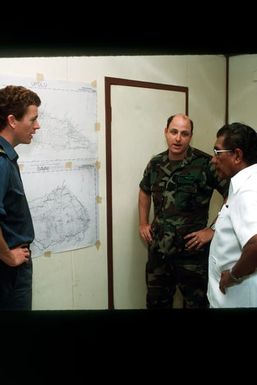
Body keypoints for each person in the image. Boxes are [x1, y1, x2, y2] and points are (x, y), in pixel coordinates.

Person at [138, 113, 229, 309]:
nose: (178, 138)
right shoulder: (156, 163)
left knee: (195, 306)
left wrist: (213, 230)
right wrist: (143, 222)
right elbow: (144, 190)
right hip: (158, 251)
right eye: (174, 132)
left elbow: (231, 194)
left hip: (191, 254)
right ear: (166, 132)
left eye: (184, 134)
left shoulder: (206, 164)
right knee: (156, 304)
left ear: (191, 136)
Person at [0, 85, 41, 310]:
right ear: (12, 120)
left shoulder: (6, 156)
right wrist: (8, 256)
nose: (37, 126)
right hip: (9, 271)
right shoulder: (1, 162)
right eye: (32, 119)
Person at [208, 122, 257, 308]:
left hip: (238, 296)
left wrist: (233, 276)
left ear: (237, 155)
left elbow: (256, 243)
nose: (213, 159)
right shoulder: (244, 182)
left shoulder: (248, 191)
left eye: (217, 152)